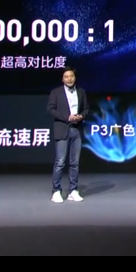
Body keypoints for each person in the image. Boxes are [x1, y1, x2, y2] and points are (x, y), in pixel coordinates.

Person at [47, 67, 90, 204]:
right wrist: (67, 117)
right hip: (62, 129)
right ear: (62, 79)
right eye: (66, 76)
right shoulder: (56, 92)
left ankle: (73, 190)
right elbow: (50, 109)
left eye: (71, 76)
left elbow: (86, 109)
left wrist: (81, 116)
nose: (69, 79)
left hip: (77, 130)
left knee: (74, 163)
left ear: (75, 78)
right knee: (60, 162)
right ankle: (56, 191)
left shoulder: (81, 92)